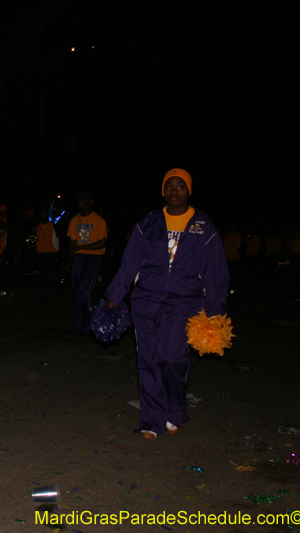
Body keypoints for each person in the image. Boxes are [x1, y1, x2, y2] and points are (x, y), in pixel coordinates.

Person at [105, 168, 229, 440]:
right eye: (169, 186)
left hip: (185, 303)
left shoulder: (203, 226)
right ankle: (151, 419)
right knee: (148, 360)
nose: (174, 191)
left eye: (180, 186)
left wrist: (215, 310)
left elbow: (216, 271)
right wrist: (114, 295)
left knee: (171, 359)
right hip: (147, 301)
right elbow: (130, 262)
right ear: (163, 190)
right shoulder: (148, 223)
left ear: (189, 190)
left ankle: (175, 407)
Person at [67, 192, 108, 332]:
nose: (81, 201)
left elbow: (102, 243)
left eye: (84, 199)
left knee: (83, 290)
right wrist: (69, 260)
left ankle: (91, 320)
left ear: (90, 201)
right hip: (79, 258)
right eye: (79, 199)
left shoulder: (99, 220)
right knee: (76, 291)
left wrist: (80, 247)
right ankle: (80, 324)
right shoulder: (74, 220)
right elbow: (72, 243)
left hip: (93, 257)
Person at [35, 211, 60, 304]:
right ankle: (45, 293)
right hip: (40, 253)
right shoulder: (37, 227)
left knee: (45, 273)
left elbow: (59, 238)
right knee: (43, 274)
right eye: (41, 215)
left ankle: (45, 295)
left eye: (44, 214)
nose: (42, 216)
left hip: (50, 252)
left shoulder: (53, 226)